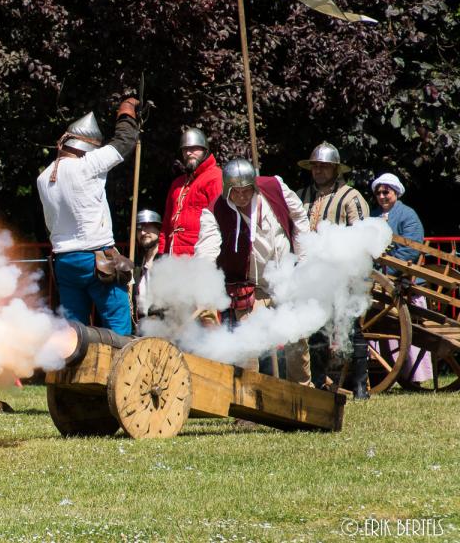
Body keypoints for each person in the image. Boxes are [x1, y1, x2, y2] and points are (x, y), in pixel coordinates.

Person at [193, 159, 310, 377]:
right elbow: (206, 252)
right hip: (250, 287)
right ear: (227, 189)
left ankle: (303, 390)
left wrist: (303, 261)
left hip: (287, 279)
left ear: (254, 186)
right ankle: (249, 395)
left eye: (246, 190)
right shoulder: (214, 211)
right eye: (235, 192)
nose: (242, 196)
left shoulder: (275, 187)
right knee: (248, 349)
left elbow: (299, 216)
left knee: (297, 344)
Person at [36, 97, 140, 336]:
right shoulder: (87, 164)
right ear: (86, 147)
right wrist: (127, 112)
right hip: (97, 260)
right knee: (118, 326)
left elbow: (50, 224)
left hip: (64, 261)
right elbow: (124, 141)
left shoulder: (42, 177)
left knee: (75, 333)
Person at [296, 142, 370, 395]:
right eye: (315, 166)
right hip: (311, 275)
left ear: (336, 169)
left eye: (324, 166)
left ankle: (360, 386)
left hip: (343, 274)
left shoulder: (351, 197)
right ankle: (317, 383)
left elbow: (361, 236)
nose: (319, 170)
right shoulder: (301, 196)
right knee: (316, 330)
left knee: (352, 328)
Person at [371, 172, 433, 388]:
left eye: (386, 192)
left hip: (404, 282)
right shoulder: (373, 216)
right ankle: (378, 371)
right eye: (378, 192)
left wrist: (387, 270)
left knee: (412, 333)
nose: (381, 196)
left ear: (396, 192)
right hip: (380, 283)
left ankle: (415, 377)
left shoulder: (408, 215)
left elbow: (411, 249)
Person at [157, 128, 223, 256]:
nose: (189, 153)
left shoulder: (215, 177)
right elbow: (166, 223)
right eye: (185, 149)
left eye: (194, 148)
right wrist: (161, 252)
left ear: (205, 150)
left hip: (201, 255)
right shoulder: (177, 184)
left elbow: (223, 219)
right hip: (174, 256)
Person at [133, 209, 162, 318]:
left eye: (147, 226)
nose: (143, 232)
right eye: (139, 229)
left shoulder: (166, 261)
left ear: (158, 229)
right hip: (140, 323)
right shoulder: (135, 264)